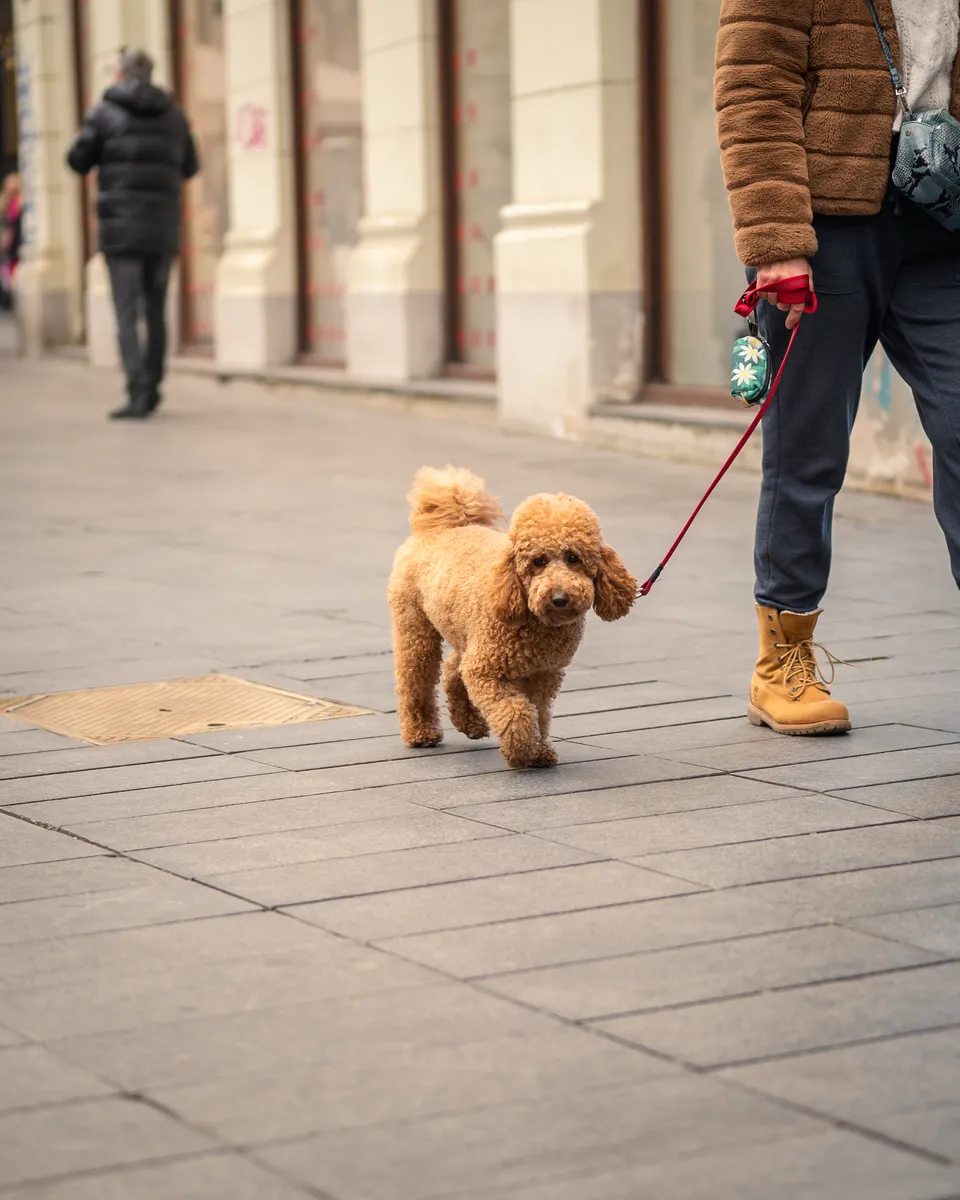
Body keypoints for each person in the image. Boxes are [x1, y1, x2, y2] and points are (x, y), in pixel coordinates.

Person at [715, 1, 960, 735]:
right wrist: (778, 239)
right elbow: (754, 89)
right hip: (826, 231)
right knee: (808, 451)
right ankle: (781, 663)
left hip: (943, 226)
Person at [67, 49, 199, 418]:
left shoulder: (104, 114)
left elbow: (77, 160)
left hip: (120, 230)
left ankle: (137, 390)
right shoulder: (175, 116)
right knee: (155, 311)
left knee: (126, 312)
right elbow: (191, 165)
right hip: (161, 230)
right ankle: (154, 386)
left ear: (120, 75)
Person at [0, 172, 22, 311]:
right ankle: (9, 300)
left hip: (16, 242)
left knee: (13, 272)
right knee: (8, 273)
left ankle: (12, 299)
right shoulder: (6, 202)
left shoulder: (19, 200)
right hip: (10, 244)